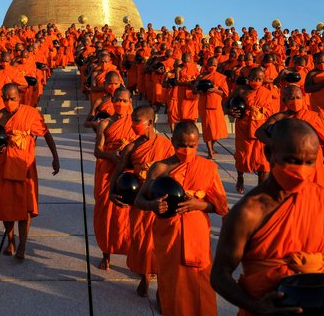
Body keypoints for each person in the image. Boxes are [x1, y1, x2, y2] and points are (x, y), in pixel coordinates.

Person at [211, 118, 324, 315]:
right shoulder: (248, 212)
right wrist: (256, 307)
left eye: (309, 162)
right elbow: (219, 276)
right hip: (265, 308)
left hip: (323, 305)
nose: (301, 172)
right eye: (292, 161)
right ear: (269, 153)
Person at [135, 121, 228, 316]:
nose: (186, 150)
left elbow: (220, 206)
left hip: (197, 234)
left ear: (198, 143)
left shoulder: (208, 168)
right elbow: (139, 199)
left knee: (201, 284)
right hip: (169, 234)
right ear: (172, 141)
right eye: (181, 145)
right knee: (172, 283)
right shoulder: (159, 168)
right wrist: (153, 205)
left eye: (192, 146)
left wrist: (199, 205)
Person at [0, 83, 60, 259]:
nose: (8, 102)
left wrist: (55, 157)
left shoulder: (31, 114)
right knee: (7, 206)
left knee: (25, 207)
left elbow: (47, 134)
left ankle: (23, 244)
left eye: (12, 98)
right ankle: (10, 240)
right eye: (5, 98)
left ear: (19, 98)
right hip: (6, 165)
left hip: (25, 165)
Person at [109, 105, 174, 297]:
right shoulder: (132, 147)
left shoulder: (166, 145)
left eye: (137, 121)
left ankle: (159, 284)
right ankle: (146, 275)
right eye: (132, 120)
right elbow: (117, 171)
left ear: (150, 122)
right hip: (140, 200)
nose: (133, 124)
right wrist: (112, 192)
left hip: (160, 198)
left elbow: (175, 171)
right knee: (141, 239)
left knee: (159, 242)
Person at [93, 87, 136, 270]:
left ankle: (133, 254)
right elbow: (97, 150)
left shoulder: (136, 123)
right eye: (117, 100)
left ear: (130, 103)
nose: (120, 104)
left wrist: (129, 153)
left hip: (128, 171)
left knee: (127, 215)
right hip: (107, 170)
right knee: (106, 213)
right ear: (112, 101)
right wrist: (111, 155)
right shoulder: (105, 123)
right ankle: (106, 253)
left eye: (124, 101)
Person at [255, 84, 324, 185]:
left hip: (311, 158)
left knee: (314, 190)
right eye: (291, 98)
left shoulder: (312, 116)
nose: (295, 101)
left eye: (298, 98)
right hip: (290, 159)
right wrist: (273, 142)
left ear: (303, 98)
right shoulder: (280, 117)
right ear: (284, 100)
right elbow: (259, 132)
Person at [227, 67, 275, 194]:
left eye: (259, 79)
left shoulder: (267, 92)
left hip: (261, 129)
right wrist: (231, 112)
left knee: (263, 160)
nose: (256, 81)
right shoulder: (241, 90)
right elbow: (226, 104)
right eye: (253, 78)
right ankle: (240, 177)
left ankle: (260, 190)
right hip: (243, 127)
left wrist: (261, 112)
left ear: (263, 80)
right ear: (248, 78)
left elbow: (272, 111)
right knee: (243, 156)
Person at [194, 57, 229, 159]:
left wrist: (214, 90)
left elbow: (225, 93)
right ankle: (209, 150)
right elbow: (194, 90)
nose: (212, 67)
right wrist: (200, 91)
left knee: (217, 130)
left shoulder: (221, 77)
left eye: (214, 65)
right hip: (204, 106)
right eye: (210, 64)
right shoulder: (201, 76)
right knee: (207, 129)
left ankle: (212, 146)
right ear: (206, 65)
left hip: (216, 105)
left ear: (217, 66)